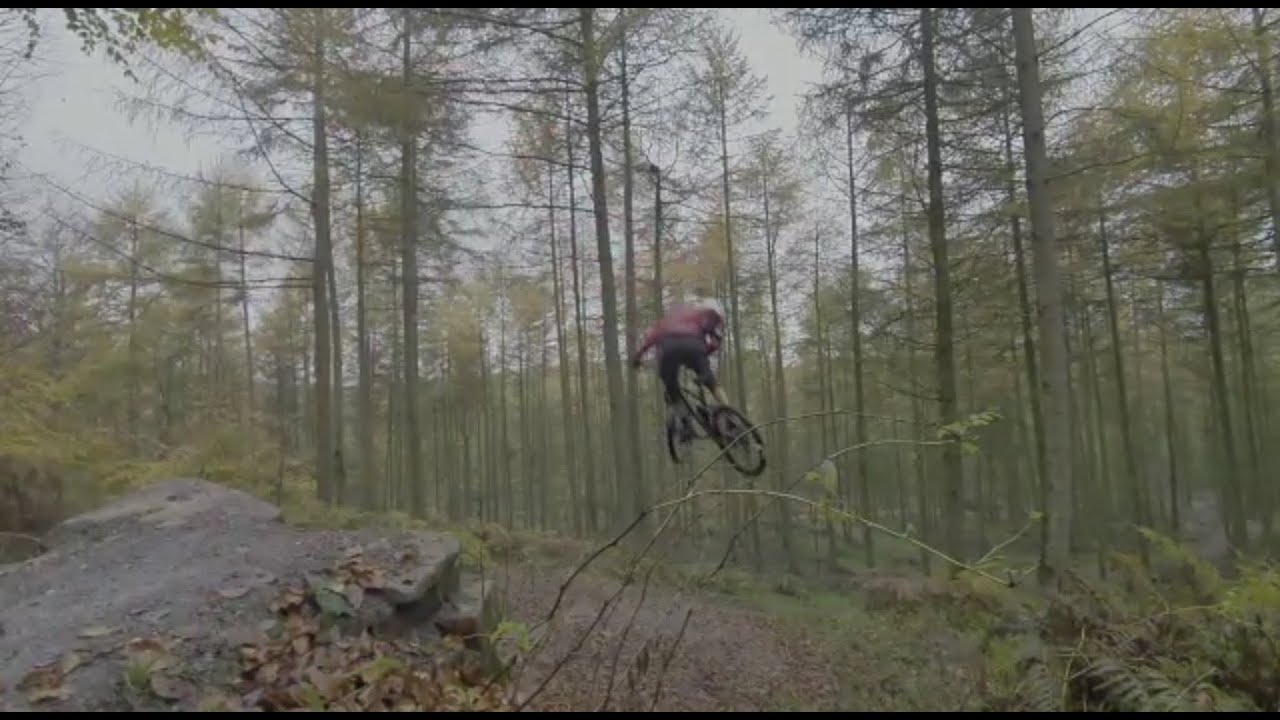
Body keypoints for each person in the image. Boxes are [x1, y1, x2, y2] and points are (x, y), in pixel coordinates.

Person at [630, 299, 729, 442]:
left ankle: (686, 424)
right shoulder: (701, 315)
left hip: (669, 350)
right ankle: (729, 414)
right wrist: (704, 353)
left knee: (672, 389)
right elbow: (715, 340)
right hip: (694, 346)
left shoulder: (666, 323)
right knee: (712, 383)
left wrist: (638, 357)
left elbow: (650, 339)